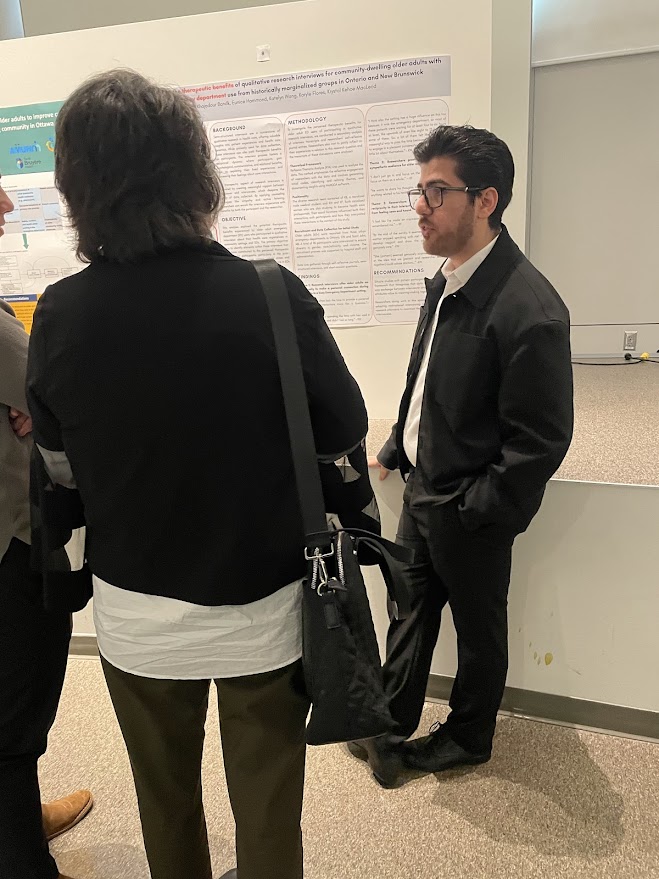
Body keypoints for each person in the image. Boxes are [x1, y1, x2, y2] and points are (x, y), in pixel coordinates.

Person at [26, 70, 368, 879]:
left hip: (136, 611)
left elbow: (60, 466)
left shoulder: (61, 312)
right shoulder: (271, 294)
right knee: (268, 810)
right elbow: (343, 428)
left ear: (76, 186)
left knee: (165, 801)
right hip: (265, 605)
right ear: (195, 170)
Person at [349, 125, 574, 787]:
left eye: (436, 192)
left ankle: (469, 737)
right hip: (426, 484)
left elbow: (540, 440)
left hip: (469, 504)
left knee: (478, 631)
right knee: (409, 609)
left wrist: (479, 507)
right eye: (419, 191)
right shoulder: (450, 277)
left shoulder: (529, 309)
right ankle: (389, 723)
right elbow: (424, 376)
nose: (420, 207)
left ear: (485, 200)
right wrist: (398, 443)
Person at [0, 183, 93, 879]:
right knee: (15, 718)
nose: (7, 207)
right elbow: (67, 410)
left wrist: (40, 405)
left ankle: (19, 821)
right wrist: (49, 411)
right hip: (10, 554)